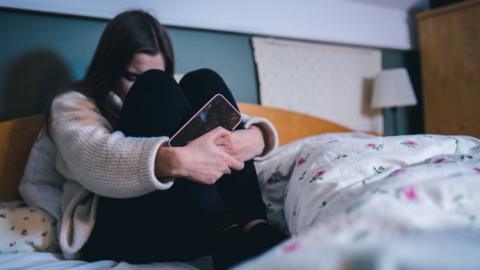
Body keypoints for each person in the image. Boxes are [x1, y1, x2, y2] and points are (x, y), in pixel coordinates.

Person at [19, 9, 286, 270]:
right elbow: (94, 158)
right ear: (109, 68)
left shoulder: (173, 94)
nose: (137, 86)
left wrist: (255, 136)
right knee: (155, 88)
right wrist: (179, 160)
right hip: (114, 233)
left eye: (154, 72)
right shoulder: (72, 105)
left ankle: (255, 228)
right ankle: (225, 233)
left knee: (203, 81)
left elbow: (235, 118)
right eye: (132, 77)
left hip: (183, 227)